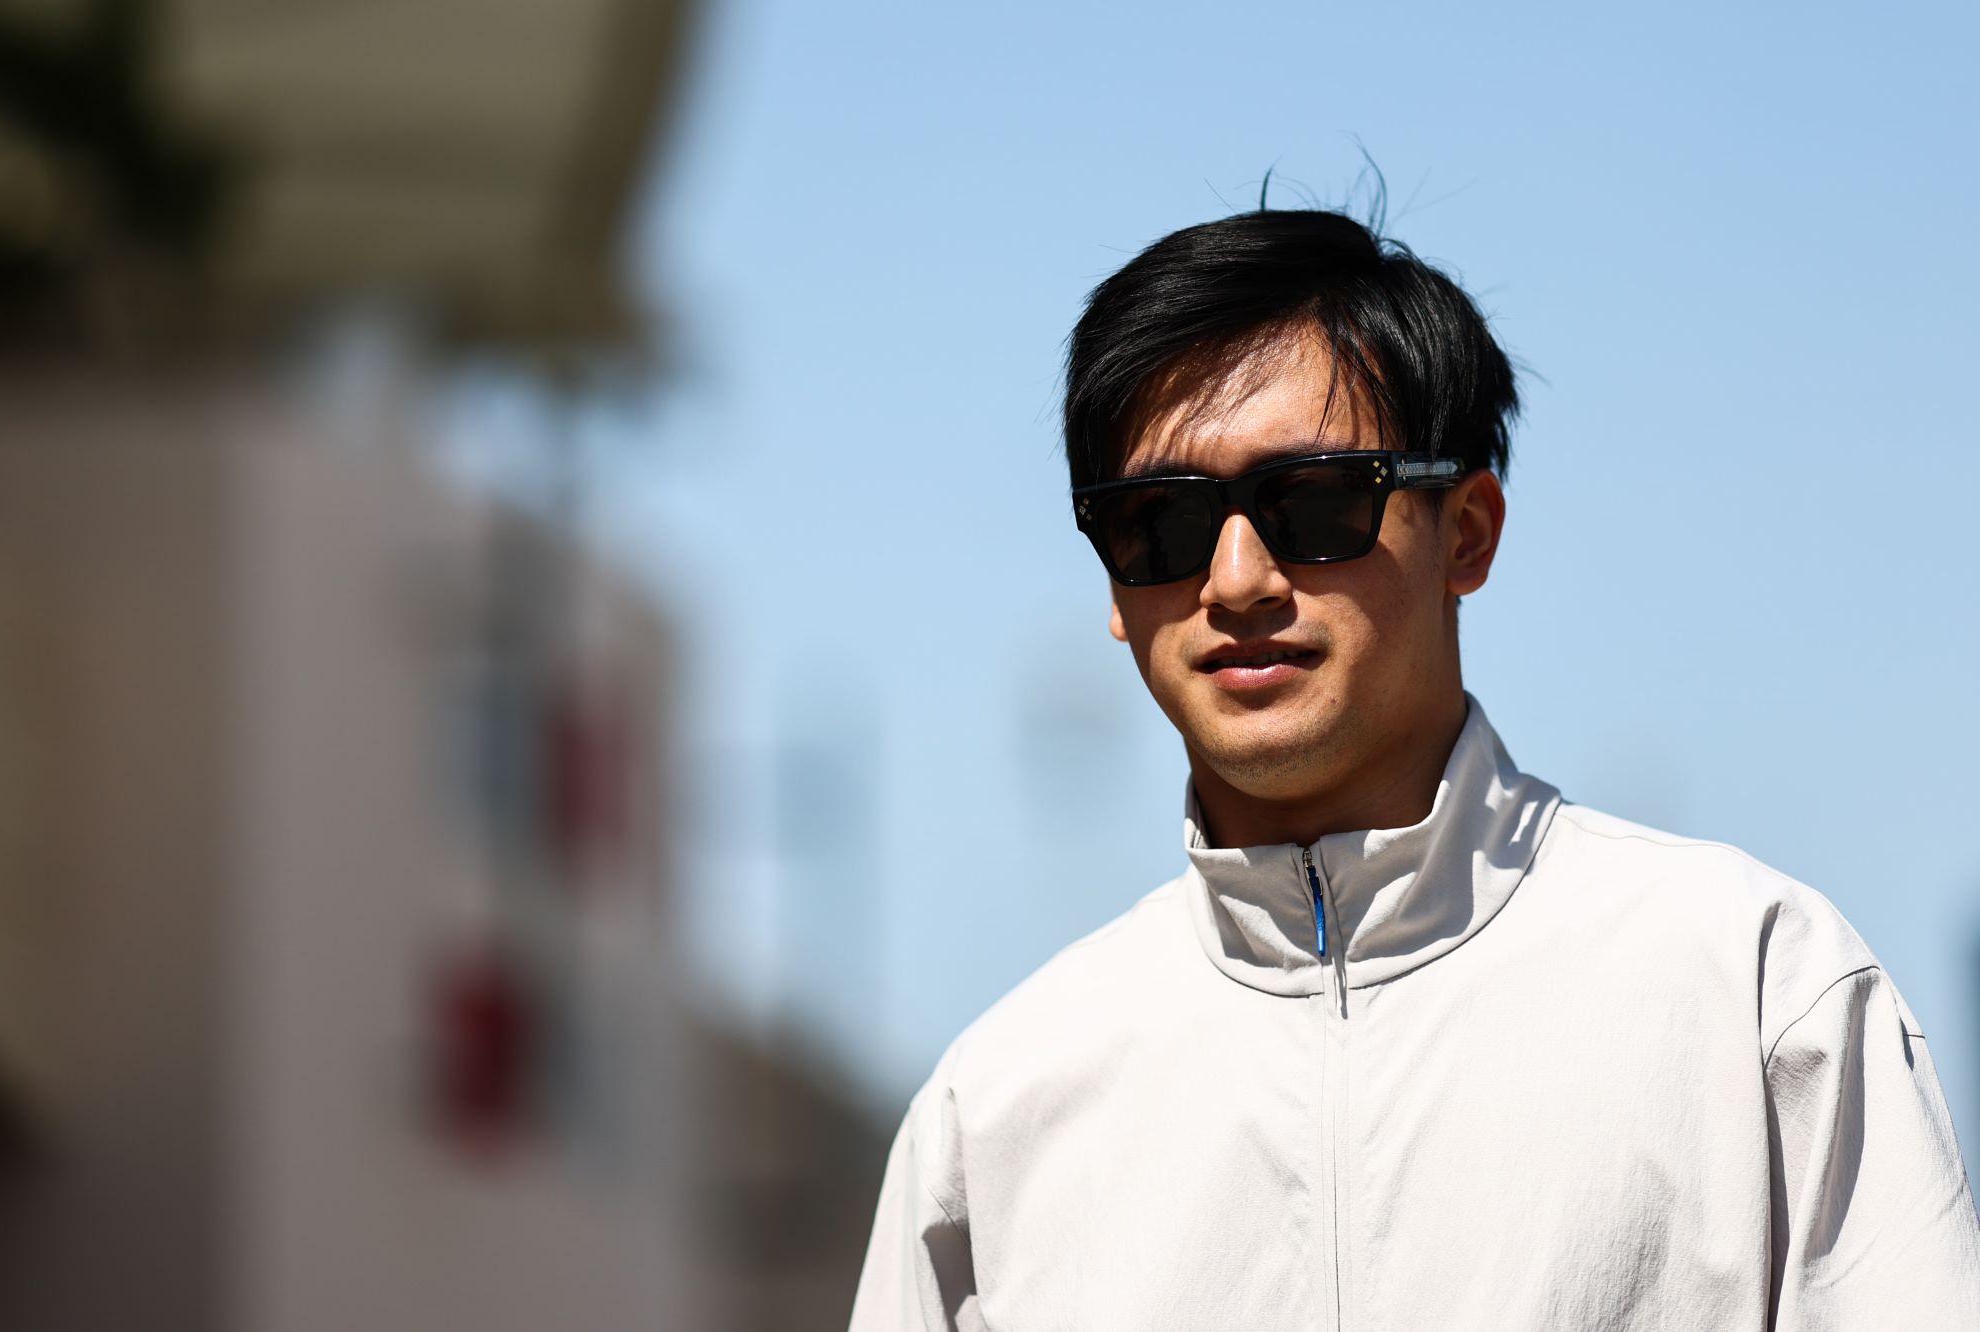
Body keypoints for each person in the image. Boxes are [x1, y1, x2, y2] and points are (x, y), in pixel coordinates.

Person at [846, 207, 1980, 1330]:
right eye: (1159, 522)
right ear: (1111, 579)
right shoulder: (992, 1117)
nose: (1235, 580)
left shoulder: (1753, 992)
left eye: (1316, 501)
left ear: (1467, 532)